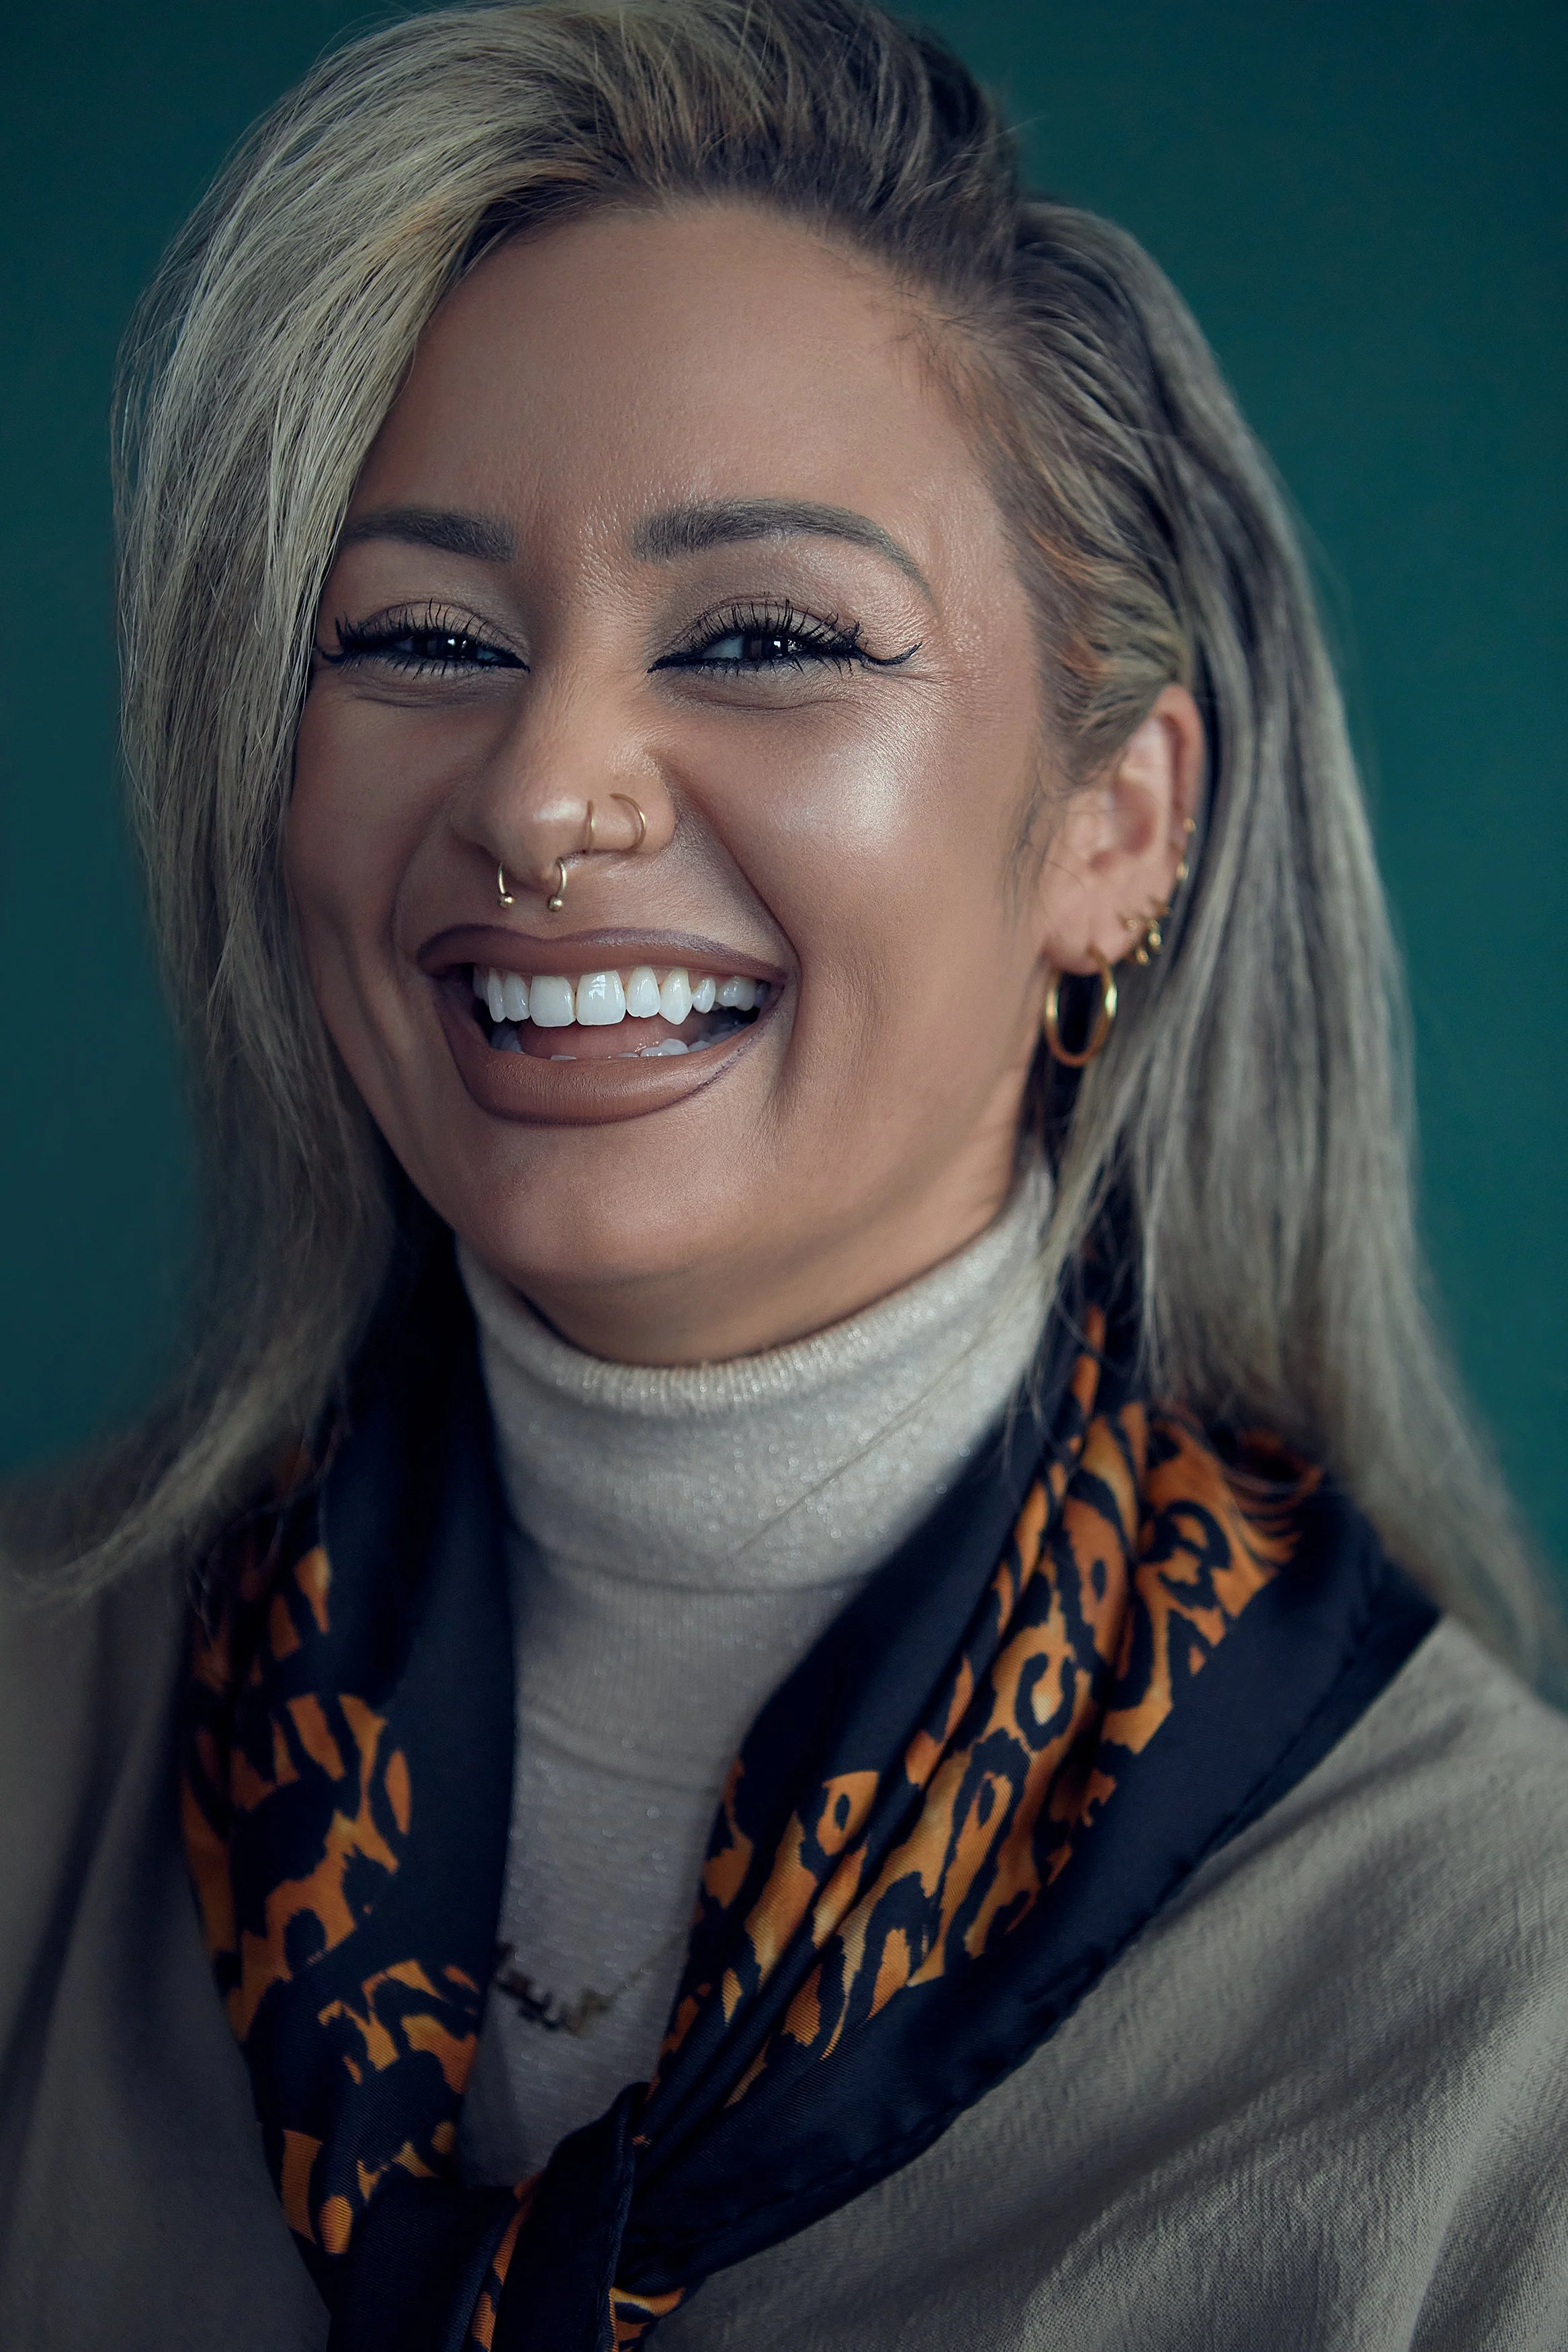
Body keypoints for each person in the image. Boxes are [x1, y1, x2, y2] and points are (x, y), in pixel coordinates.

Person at [1, 1, 1564, 2345]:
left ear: (1115, 829)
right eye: (419, 636)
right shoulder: (39, 1732)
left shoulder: (1500, 2019)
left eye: (761, 634)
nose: (544, 797)